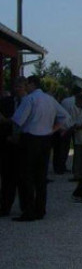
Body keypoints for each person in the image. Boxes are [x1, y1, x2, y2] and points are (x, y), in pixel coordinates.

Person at [12, 76, 71, 221]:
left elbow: (19, 120)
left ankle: (28, 210)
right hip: (46, 138)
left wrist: (14, 135)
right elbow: (65, 116)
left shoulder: (30, 99)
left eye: (26, 84)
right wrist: (53, 129)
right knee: (41, 177)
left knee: (27, 176)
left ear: (31, 84)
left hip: (30, 138)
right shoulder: (49, 99)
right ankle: (40, 209)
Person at [0, 78, 26, 217]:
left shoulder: (30, 102)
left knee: (24, 178)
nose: (17, 89)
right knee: (7, 177)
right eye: (16, 86)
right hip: (8, 144)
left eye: (20, 86)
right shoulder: (6, 102)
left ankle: (25, 207)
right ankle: (5, 207)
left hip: (25, 143)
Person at [54, 86, 81, 174]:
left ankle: (60, 166)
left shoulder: (65, 101)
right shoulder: (79, 101)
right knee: (77, 147)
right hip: (75, 125)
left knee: (63, 147)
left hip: (65, 126)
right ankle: (76, 167)